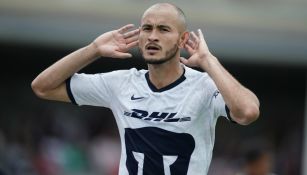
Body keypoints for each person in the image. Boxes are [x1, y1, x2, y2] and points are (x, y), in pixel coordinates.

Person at [31, 3, 260, 175]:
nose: (152, 36)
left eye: (163, 29)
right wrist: (94, 49)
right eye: (147, 28)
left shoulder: (204, 86)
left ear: (182, 40)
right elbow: (42, 87)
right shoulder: (121, 83)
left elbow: (248, 112)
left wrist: (209, 61)